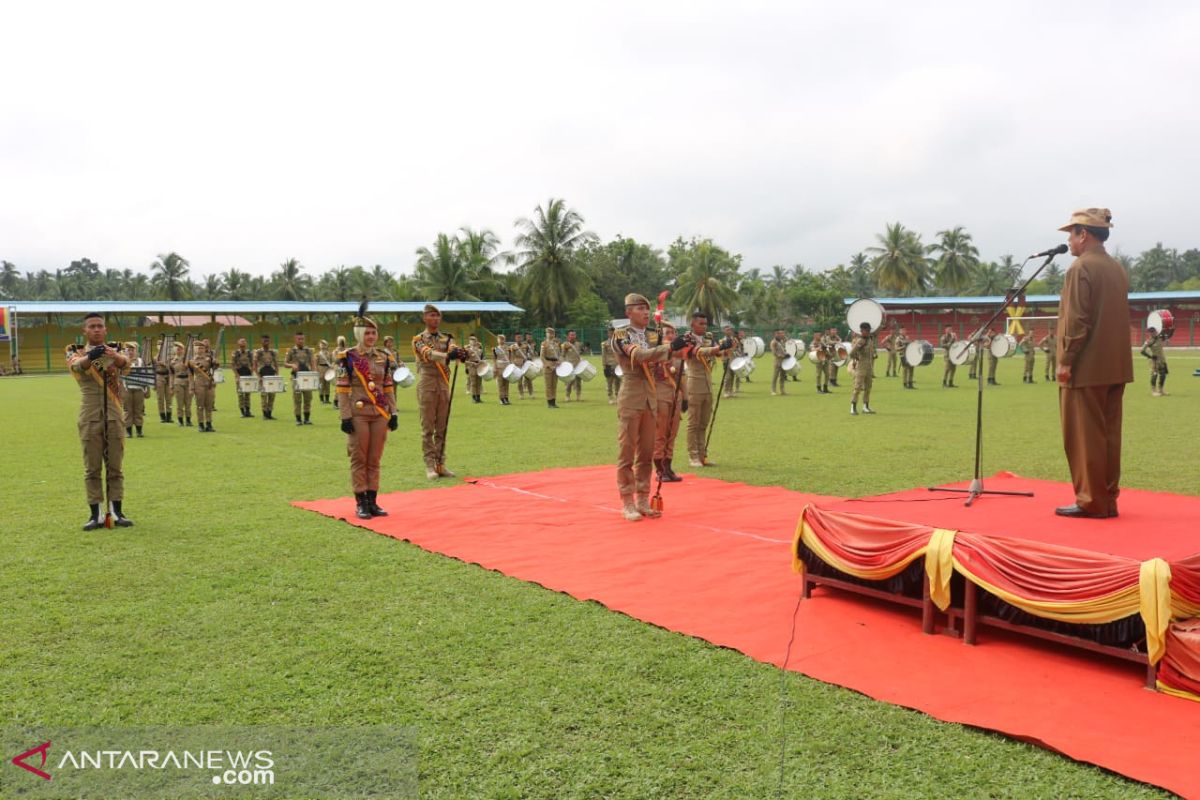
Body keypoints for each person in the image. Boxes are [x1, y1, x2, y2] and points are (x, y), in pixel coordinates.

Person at [1054, 208, 1131, 519]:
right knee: (1109, 436)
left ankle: (1091, 500)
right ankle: (1108, 497)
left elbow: (1077, 320)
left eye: (1071, 234)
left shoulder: (1079, 268)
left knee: (1084, 438)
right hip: (1115, 366)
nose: (1070, 241)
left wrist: (1066, 360)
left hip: (1086, 367)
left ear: (1083, 234)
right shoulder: (1116, 268)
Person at [68, 313, 133, 529]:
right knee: (92, 466)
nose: (96, 330)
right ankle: (95, 514)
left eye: (100, 326)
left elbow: (126, 364)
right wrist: (91, 356)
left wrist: (112, 355)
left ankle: (116, 512)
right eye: (92, 326)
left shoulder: (115, 348)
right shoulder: (75, 350)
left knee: (115, 465)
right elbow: (77, 366)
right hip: (90, 413)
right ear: (84, 331)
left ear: (106, 330)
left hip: (114, 412)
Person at [612, 294, 673, 520]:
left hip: (650, 396)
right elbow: (639, 356)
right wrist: (668, 348)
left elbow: (661, 361)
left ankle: (642, 498)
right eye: (640, 309)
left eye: (647, 309)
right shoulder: (620, 335)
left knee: (646, 452)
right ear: (629, 313)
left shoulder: (652, 335)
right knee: (627, 451)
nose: (646, 313)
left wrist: (678, 348)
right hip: (631, 395)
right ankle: (627, 501)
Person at [337, 310, 397, 519]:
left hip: (380, 413)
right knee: (359, 457)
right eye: (367, 333)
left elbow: (388, 386)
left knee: (375, 458)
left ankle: (373, 501)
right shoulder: (347, 358)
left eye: (374, 333)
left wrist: (394, 412)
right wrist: (345, 417)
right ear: (359, 334)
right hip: (359, 413)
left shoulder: (384, 357)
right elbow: (343, 389)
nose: (371, 337)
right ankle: (360, 501)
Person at [412, 304, 468, 480]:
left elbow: (453, 349)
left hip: (443, 384)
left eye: (437, 316)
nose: (435, 318)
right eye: (431, 315)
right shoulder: (418, 339)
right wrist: (446, 357)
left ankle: (440, 463)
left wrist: (461, 353)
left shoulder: (447, 338)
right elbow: (427, 353)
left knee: (442, 427)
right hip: (427, 383)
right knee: (427, 427)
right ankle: (429, 465)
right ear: (425, 318)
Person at [684, 311, 734, 467]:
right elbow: (698, 353)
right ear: (692, 324)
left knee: (704, 422)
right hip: (694, 383)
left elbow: (718, 354)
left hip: (707, 384)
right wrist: (717, 348)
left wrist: (727, 349)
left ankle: (702, 455)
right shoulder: (687, 339)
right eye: (701, 323)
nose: (704, 326)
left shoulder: (709, 338)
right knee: (693, 423)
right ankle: (693, 456)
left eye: (705, 324)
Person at [653, 323, 685, 482]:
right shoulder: (657, 350)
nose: (671, 335)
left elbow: (682, 377)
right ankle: (659, 469)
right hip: (660, 393)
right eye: (667, 333)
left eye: (673, 332)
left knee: (672, 432)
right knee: (661, 433)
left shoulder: (678, 354)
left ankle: (668, 466)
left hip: (675, 394)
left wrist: (685, 397)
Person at [285, 331, 316, 425]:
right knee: (297, 399)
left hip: (307, 377)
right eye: (299, 339)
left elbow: (313, 363)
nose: (301, 340)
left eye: (302, 339)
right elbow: (285, 364)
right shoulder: (291, 351)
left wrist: (314, 374)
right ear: (295, 339)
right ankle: (298, 419)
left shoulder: (308, 350)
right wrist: (291, 365)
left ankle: (307, 419)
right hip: (296, 378)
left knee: (308, 398)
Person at [190, 339, 218, 432]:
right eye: (199, 348)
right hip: (199, 384)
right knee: (200, 405)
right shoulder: (192, 361)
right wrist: (191, 387)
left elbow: (215, 367)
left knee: (209, 405)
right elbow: (190, 375)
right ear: (195, 349)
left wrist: (216, 363)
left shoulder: (209, 358)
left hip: (209, 383)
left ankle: (209, 424)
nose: (201, 350)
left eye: (202, 348)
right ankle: (201, 424)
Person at [849, 321, 877, 415]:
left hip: (869, 366)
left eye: (869, 330)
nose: (868, 332)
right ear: (862, 331)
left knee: (868, 387)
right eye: (866, 330)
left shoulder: (870, 339)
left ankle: (866, 406)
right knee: (857, 387)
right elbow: (852, 352)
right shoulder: (860, 341)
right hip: (861, 366)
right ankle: (853, 407)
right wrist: (856, 357)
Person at [121, 342, 148, 438]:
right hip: (127, 388)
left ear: (136, 351)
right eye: (129, 350)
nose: (131, 352)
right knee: (128, 410)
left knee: (138, 410)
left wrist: (147, 389)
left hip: (139, 389)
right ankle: (128, 431)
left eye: (132, 350)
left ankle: (139, 431)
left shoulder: (141, 361)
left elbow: (145, 375)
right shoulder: (122, 361)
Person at [253, 334, 279, 420]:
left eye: (267, 341)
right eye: (264, 341)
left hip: (271, 374)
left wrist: (277, 375)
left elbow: (276, 364)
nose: (266, 342)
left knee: (272, 395)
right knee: (264, 396)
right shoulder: (258, 352)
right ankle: (264, 414)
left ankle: (269, 413)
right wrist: (258, 376)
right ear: (261, 341)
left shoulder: (273, 352)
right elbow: (255, 366)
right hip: (262, 375)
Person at [230, 337, 255, 417]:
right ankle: (242, 412)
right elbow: (232, 365)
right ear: (239, 344)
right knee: (241, 394)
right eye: (242, 342)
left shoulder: (249, 353)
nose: (243, 343)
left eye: (244, 342)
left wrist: (251, 372)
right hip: (239, 375)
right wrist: (237, 376)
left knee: (247, 393)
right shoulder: (236, 353)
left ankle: (248, 411)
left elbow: (253, 364)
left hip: (248, 374)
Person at [1141, 326, 1168, 397]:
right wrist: (1150, 356)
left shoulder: (1160, 338)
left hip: (1162, 360)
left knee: (1163, 375)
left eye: (1154, 331)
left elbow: (1167, 336)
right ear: (1149, 333)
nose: (1153, 333)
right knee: (1154, 375)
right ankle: (1153, 391)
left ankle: (1161, 390)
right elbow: (1142, 351)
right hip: (1154, 361)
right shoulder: (1149, 341)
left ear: (1156, 331)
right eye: (1151, 332)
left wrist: (1167, 332)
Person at [170, 341, 193, 426]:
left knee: (188, 402)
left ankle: (188, 420)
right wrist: (171, 386)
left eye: (180, 349)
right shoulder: (172, 361)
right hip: (178, 381)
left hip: (187, 380)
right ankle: (180, 420)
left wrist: (192, 385)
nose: (179, 351)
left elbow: (192, 372)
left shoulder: (188, 360)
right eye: (177, 349)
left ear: (183, 350)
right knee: (179, 403)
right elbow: (171, 374)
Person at [540, 327, 562, 408]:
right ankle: (549, 402)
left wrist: (559, 361)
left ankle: (554, 401)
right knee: (548, 385)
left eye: (552, 333)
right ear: (546, 334)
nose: (551, 335)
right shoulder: (544, 344)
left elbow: (559, 355)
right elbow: (542, 357)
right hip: (548, 365)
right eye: (549, 333)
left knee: (554, 384)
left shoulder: (556, 344)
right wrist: (548, 365)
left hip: (555, 364)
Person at [601, 325, 621, 404]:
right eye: (610, 333)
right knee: (609, 381)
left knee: (618, 381)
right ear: (608, 334)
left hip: (618, 364)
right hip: (609, 364)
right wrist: (604, 365)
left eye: (613, 333)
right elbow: (603, 355)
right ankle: (610, 397)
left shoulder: (619, 343)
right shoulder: (605, 344)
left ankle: (617, 396)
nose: (611, 334)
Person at [154, 339, 172, 423]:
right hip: (159, 377)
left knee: (168, 398)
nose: (160, 346)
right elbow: (153, 370)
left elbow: (172, 367)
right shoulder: (155, 357)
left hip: (167, 376)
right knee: (160, 398)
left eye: (161, 344)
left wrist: (165, 364)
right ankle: (162, 416)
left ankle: (169, 416)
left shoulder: (169, 357)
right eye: (159, 344)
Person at [562, 329, 582, 401]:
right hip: (569, 366)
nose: (573, 336)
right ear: (568, 336)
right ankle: (567, 396)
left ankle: (578, 395)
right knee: (569, 382)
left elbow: (579, 354)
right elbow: (562, 355)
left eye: (574, 335)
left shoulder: (578, 344)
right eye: (571, 335)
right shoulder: (565, 345)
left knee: (578, 381)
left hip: (578, 365)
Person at [507, 333, 529, 400]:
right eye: (517, 337)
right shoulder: (512, 347)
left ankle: (530, 392)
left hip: (524, 364)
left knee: (528, 379)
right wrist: (511, 363)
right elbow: (510, 355)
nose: (519, 339)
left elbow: (527, 354)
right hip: (517, 364)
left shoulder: (525, 346)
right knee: (519, 381)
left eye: (520, 337)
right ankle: (521, 394)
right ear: (515, 338)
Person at [465, 333, 484, 403]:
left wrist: (481, 363)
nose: (473, 341)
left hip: (479, 367)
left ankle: (478, 397)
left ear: (476, 341)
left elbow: (482, 358)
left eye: (474, 340)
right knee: (473, 383)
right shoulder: (467, 350)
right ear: (469, 341)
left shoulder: (480, 350)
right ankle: (473, 397)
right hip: (472, 366)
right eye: (471, 340)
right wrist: (468, 366)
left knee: (479, 382)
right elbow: (465, 361)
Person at [493, 334, 511, 405]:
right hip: (499, 367)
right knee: (500, 384)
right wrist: (494, 368)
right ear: (497, 340)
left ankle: (506, 398)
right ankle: (501, 398)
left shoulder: (508, 348)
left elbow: (510, 357)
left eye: (502, 339)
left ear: (504, 340)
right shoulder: (495, 349)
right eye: (499, 339)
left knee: (506, 383)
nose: (501, 340)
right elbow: (494, 359)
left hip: (507, 367)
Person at [720, 324, 737, 398]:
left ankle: (731, 390)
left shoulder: (734, 339)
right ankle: (726, 391)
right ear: (724, 331)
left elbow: (737, 347)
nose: (729, 331)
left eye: (730, 330)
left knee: (733, 375)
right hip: (726, 359)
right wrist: (730, 349)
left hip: (733, 359)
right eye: (727, 330)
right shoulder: (722, 340)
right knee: (727, 376)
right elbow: (722, 350)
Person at [770, 329, 789, 395]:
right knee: (775, 376)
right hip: (778, 361)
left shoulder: (782, 341)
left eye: (781, 334)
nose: (780, 335)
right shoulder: (773, 342)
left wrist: (786, 355)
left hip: (784, 361)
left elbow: (788, 346)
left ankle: (782, 390)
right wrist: (782, 356)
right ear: (775, 334)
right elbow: (774, 353)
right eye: (778, 334)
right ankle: (773, 390)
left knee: (783, 376)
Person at [316, 339, 333, 404]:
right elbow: (316, 363)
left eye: (324, 344)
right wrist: (317, 371)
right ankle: (321, 400)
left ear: (327, 345)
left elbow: (332, 362)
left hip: (328, 369)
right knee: (321, 384)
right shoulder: (318, 354)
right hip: (320, 369)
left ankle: (327, 399)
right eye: (321, 344)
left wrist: (332, 367)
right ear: (319, 346)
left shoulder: (329, 353)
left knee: (327, 385)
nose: (323, 345)